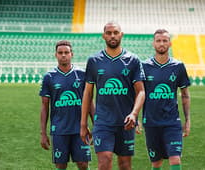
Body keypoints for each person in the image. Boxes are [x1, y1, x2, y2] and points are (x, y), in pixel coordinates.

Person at [80, 21, 145, 170]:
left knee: (125, 165)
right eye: (109, 33)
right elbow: (88, 93)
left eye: (116, 32)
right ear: (103, 36)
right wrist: (83, 123)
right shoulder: (94, 61)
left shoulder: (133, 60)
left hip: (126, 122)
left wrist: (134, 114)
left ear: (121, 35)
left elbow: (141, 91)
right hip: (103, 122)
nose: (112, 36)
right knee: (104, 161)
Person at [40, 40, 94, 170]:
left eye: (66, 52)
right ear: (56, 55)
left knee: (83, 164)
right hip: (59, 130)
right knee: (61, 165)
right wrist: (43, 133)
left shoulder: (81, 75)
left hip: (80, 129)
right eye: (60, 53)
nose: (63, 55)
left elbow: (90, 102)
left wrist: (96, 125)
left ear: (72, 54)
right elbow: (44, 106)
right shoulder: (49, 77)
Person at [142, 29, 191, 170]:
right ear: (153, 44)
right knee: (156, 162)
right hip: (151, 122)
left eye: (164, 40)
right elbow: (137, 94)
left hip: (172, 122)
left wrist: (187, 120)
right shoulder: (144, 67)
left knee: (175, 159)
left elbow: (185, 95)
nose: (161, 43)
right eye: (158, 40)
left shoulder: (178, 66)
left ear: (170, 43)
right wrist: (135, 116)